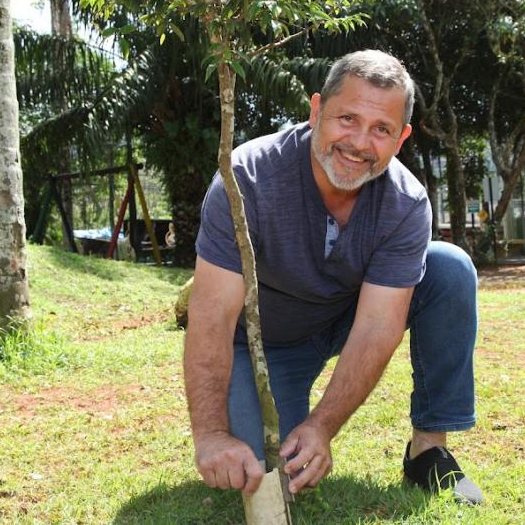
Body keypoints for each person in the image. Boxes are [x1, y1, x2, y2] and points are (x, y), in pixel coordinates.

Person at [183, 49, 483, 504]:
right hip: (266, 340)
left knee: (448, 267)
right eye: (347, 119)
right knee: (265, 471)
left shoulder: (406, 202)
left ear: (401, 138)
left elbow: (378, 325)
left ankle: (428, 450)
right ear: (317, 110)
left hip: (344, 318)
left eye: (381, 129)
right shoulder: (247, 177)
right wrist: (210, 436)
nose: (361, 143)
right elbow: (211, 316)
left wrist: (323, 426)